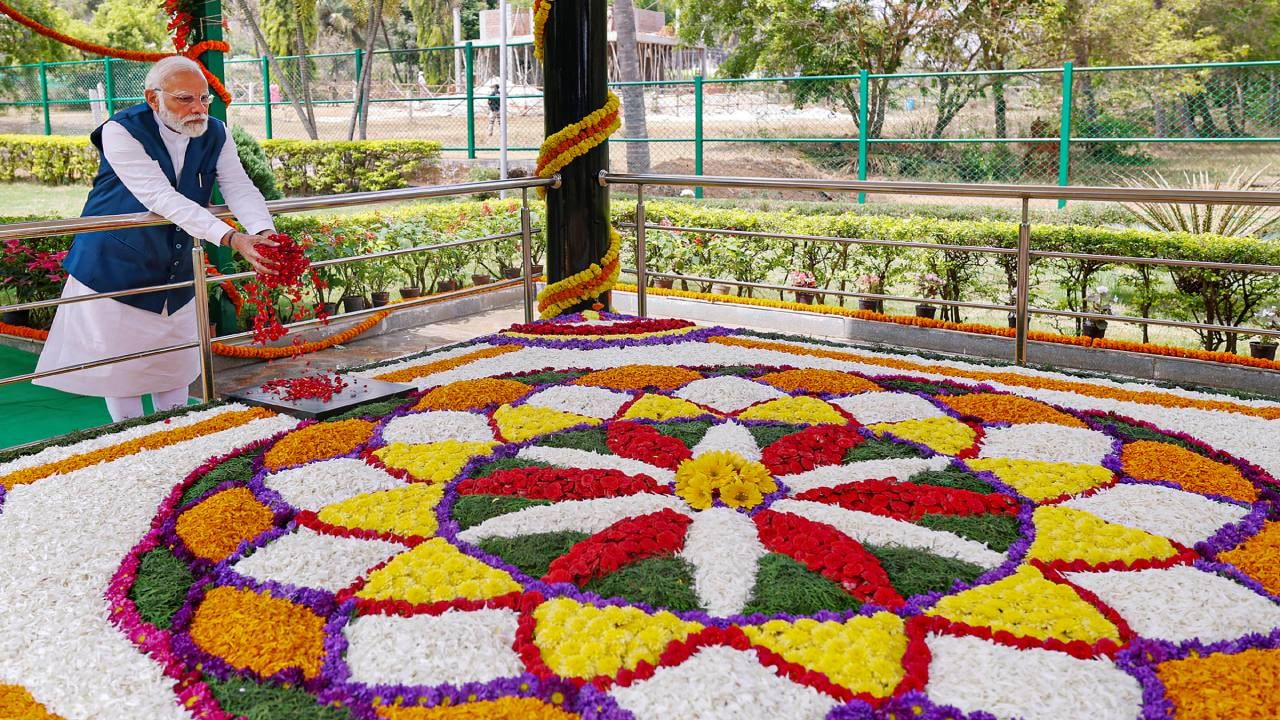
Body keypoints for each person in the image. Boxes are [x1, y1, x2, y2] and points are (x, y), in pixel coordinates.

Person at [33, 56, 278, 423]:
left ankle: (176, 436)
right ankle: (132, 439)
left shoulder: (216, 131)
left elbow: (238, 185)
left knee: (175, 365)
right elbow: (160, 197)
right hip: (113, 266)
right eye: (185, 99)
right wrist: (230, 238)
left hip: (174, 267)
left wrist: (263, 231)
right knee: (122, 375)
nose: (198, 108)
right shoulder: (121, 131)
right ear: (153, 98)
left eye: (204, 98)